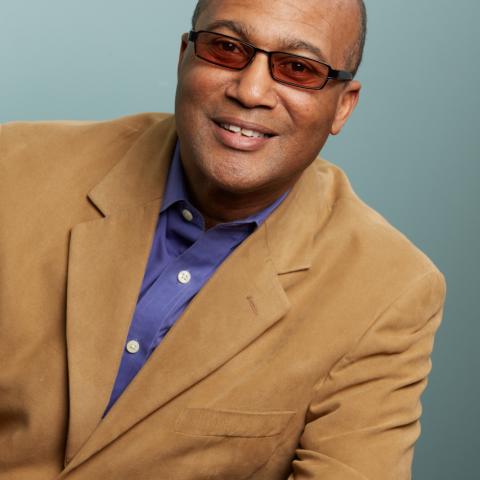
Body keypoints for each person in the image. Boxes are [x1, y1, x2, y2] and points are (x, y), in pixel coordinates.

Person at [0, 0, 446, 479]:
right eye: (227, 48)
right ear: (184, 57)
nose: (251, 91)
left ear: (343, 105)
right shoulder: (14, 167)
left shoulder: (390, 290)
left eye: (298, 69)